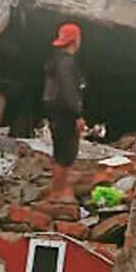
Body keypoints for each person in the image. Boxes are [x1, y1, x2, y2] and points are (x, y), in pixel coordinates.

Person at [41, 22, 86, 203]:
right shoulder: (67, 63)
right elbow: (69, 91)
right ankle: (57, 194)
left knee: (60, 153)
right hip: (65, 113)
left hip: (55, 112)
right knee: (66, 155)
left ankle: (57, 191)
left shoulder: (56, 61)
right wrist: (77, 114)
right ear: (75, 40)